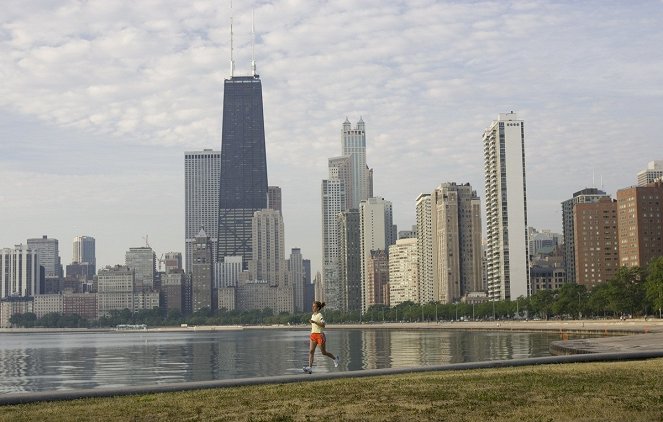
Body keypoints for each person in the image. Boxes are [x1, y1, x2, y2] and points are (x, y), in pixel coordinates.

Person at [303, 301, 339, 374]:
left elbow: (323, 325)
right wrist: (312, 322)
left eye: (314, 306)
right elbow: (314, 324)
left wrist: (315, 322)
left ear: (318, 308)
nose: (312, 307)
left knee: (323, 352)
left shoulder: (320, 315)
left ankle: (335, 359)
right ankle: (310, 368)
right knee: (311, 351)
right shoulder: (313, 315)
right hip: (313, 335)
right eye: (312, 306)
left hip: (320, 335)